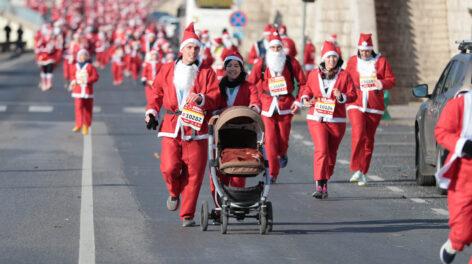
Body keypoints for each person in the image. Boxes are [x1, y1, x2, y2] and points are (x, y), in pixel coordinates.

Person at [144, 23, 220, 227]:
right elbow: (156, 92)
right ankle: (173, 191)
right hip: (172, 125)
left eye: (196, 48)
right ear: (181, 49)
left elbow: (215, 96)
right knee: (169, 167)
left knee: (194, 174)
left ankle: (187, 215)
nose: (192, 51)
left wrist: (202, 98)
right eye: (189, 47)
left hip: (197, 129)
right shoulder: (168, 69)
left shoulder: (206, 72)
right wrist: (151, 111)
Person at [296, 41, 356, 199]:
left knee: (331, 153)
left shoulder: (344, 75)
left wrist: (341, 96)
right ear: (323, 59)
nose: (332, 60)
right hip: (316, 117)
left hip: (336, 120)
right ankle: (320, 183)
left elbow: (353, 94)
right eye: (329, 57)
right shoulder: (314, 74)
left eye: (334, 58)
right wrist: (304, 98)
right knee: (321, 150)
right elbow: (307, 89)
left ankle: (325, 176)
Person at [247, 31, 306, 183]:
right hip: (267, 105)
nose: (276, 51)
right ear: (269, 49)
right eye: (273, 48)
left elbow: (303, 83)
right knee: (270, 140)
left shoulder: (291, 63)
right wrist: (256, 101)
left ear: (282, 48)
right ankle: (272, 173)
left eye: (278, 48)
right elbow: (251, 83)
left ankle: (283, 153)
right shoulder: (262, 63)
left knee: (283, 139)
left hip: (285, 104)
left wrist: (299, 100)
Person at [209, 51, 261, 206]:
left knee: (240, 168)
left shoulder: (249, 86)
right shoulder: (218, 86)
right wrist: (216, 111)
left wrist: (254, 107)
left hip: (243, 130)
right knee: (220, 170)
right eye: (230, 66)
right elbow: (212, 103)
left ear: (241, 68)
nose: (233, 69)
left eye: (236, 65)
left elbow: (255, 101)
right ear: (225, 68)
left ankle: (238, 202)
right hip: (222, 132)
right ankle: (219, 204)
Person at [345, 33, 395, 186]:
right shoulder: (352, 61)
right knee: (358, 133)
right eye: (362, 50)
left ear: (371, 50)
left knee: (368, 140)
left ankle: (363, 171)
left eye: (367, 51)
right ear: (358, 50)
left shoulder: (381, 61)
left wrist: (381, 83)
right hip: (356, 102)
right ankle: (355, 168)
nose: (364, 53)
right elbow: (345, 79)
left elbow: (391, 80)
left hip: (374, 105)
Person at [435, 89, 472, 264]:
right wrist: (462, 144)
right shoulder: (460, 104)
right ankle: (454, 243)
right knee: (463, 231)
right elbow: (441, 132)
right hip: (463, 174)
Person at [69, 49, 99, 135]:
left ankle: (86, 125)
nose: (81, 57)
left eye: (83, 55)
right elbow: (72, 75)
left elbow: (95, 77)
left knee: (88, 109)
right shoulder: (75, 66)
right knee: (78, 107)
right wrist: (73, 81)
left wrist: (87, 80)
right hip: (78, 91)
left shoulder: (90, 66)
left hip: (87, 91)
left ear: (86, 57)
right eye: (80, 55)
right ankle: (78, 124)